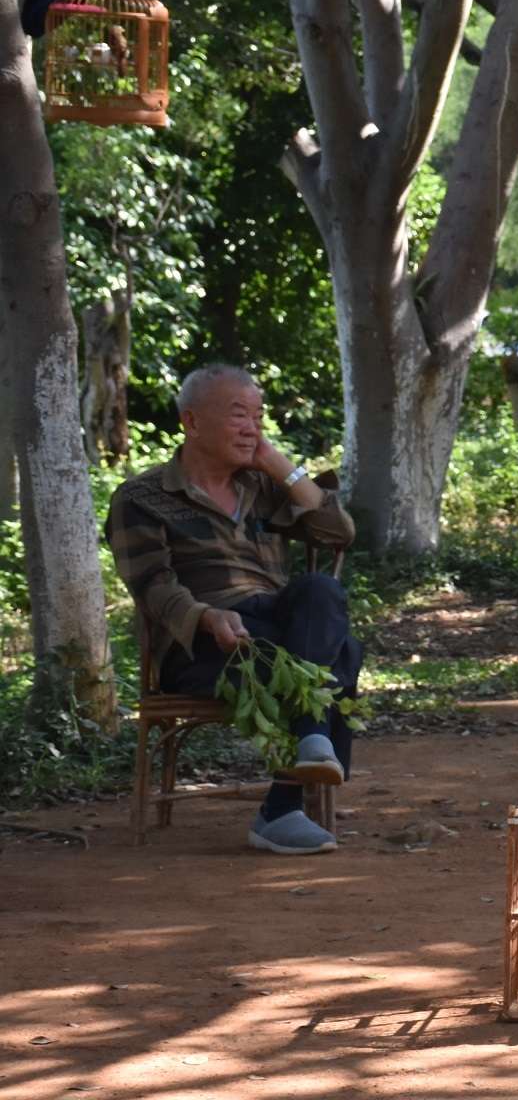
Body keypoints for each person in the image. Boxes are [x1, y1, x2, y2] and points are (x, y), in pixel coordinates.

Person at [107, 365, 361, 855]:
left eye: (259, 417)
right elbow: (152, 586)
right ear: (192, 422)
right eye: (239, 415)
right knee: (344, 651)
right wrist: (206, 616)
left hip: (279, 627)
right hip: (206, 644)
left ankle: (297, 770)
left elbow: (339, 533)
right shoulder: (142, 498)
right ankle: (283, 805)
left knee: (320, 592)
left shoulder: (261, 486)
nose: (252, 427)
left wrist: (276, 463)